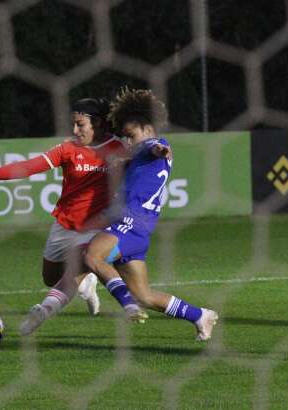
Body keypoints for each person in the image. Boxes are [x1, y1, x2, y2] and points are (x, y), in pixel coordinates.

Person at [0, 98, 143, 323]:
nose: (75, 130)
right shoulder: (68, 149)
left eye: (80, 124)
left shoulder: (118, 149)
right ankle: (87, 285)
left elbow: (145, 163)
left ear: (98, 123)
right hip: (65, 223)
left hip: (96, 226)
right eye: (73, 124)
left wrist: (161, 153)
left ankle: (116, 302)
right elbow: (26, 168)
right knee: (50, 277)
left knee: (86, 262)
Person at [83, 87, 218, 341]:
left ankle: (122, 304)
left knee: (91, 256)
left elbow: (155, 147)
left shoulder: (153, 145)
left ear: (147, 128)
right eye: (125, 138)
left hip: (129, 224)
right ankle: (200, 315)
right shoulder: (137, 156)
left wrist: (157, 150)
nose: (128, 142)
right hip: (139, 230)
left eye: (131, 136)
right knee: (143, 295)